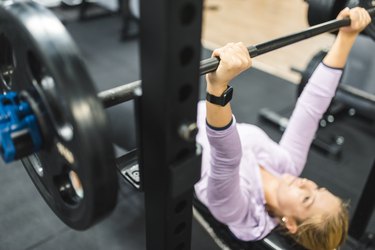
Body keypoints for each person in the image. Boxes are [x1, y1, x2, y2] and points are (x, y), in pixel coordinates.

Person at [194, 7, 372, 250]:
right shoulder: (288, 167)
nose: (305, 183)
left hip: (165, 131)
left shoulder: (237, 210)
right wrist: (346, 37)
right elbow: (311, 108)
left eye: (307, 198)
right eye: (317, 187)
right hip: (194, 106)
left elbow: (226, 157)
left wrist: (218, 88)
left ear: (290, 224)